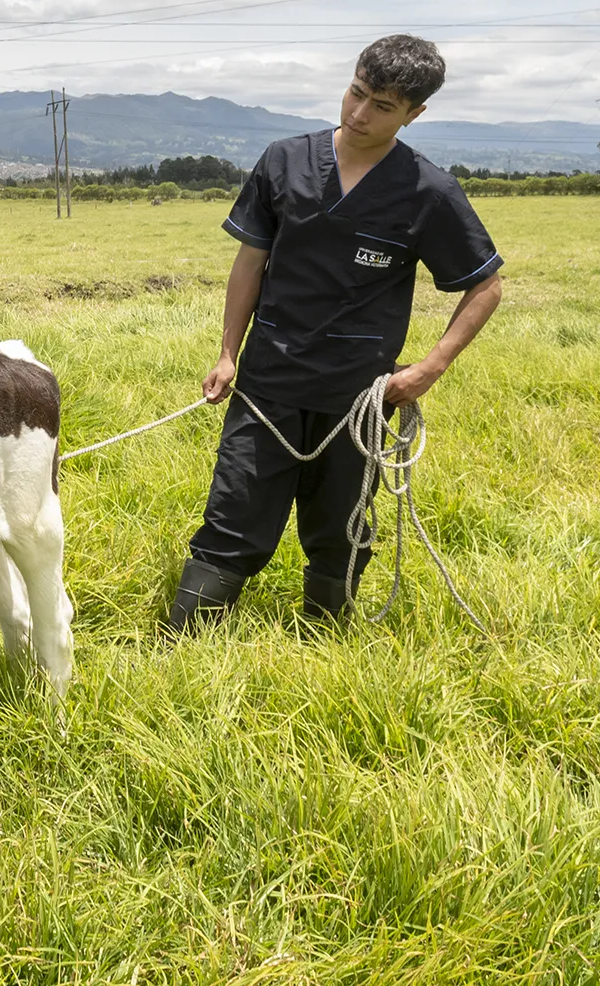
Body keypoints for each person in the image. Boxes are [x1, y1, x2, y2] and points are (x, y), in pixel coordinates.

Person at [168, 35, 504, 631]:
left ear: (414, 114)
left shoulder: (428, 191)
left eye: (382, 106)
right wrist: (226, 354)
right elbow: (250, 263)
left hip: (359, 398)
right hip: (266, 383)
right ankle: (183, 640)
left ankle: (326, 637)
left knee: (341, 525)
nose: (358, 114)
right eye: (356, 92)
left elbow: (486, 287)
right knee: (233, 514)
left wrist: (429, 368)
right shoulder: (284, 161)